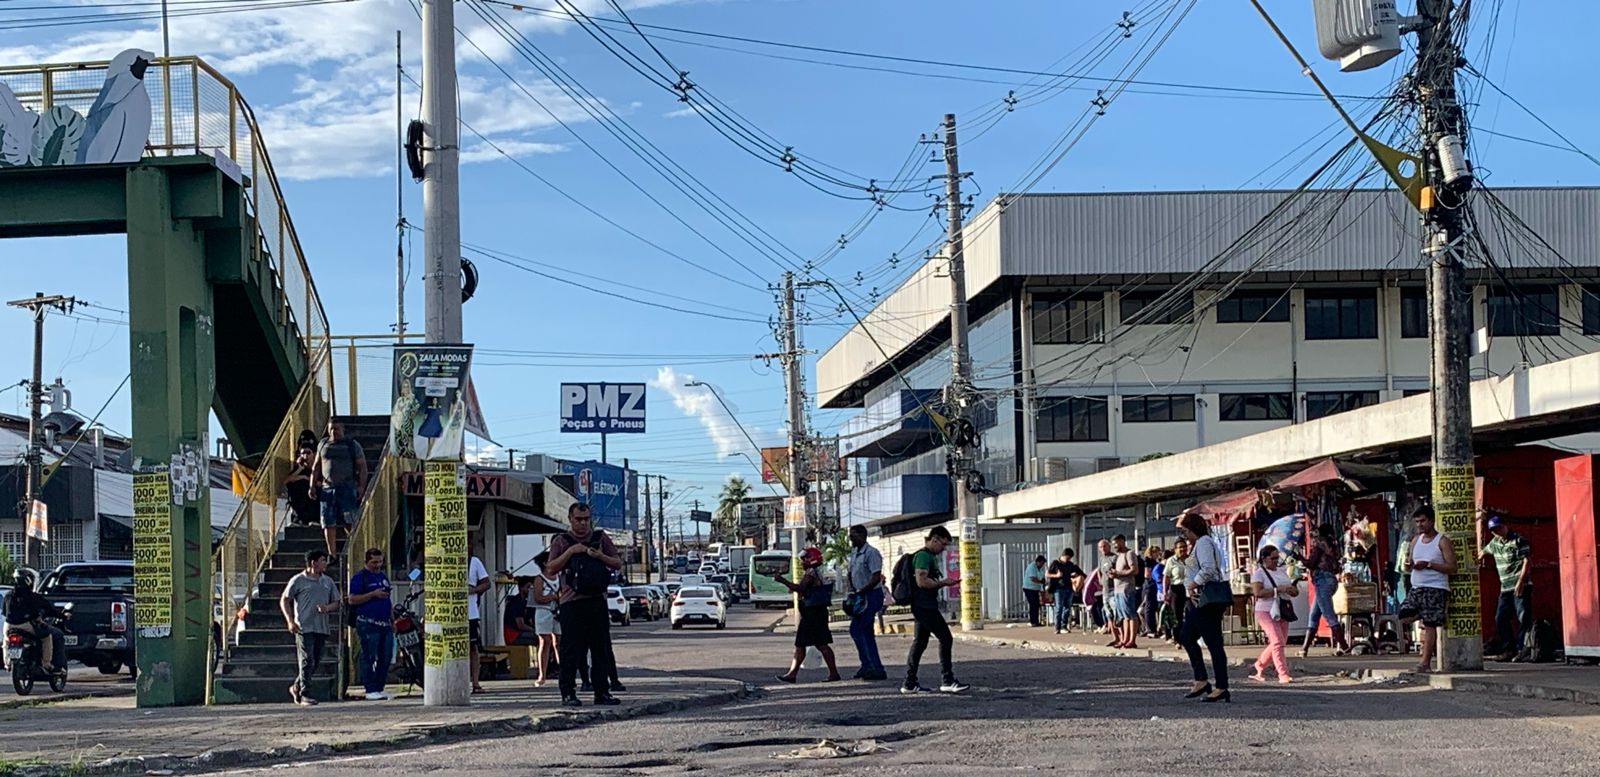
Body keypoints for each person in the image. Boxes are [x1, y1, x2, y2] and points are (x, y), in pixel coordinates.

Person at [544, 503, 624, 707]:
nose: (582, 523)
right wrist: (571, 551)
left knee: (600, 649)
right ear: (570, 519)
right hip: (571, 602)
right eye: (578, 519)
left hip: (597, 600)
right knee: (570, 650)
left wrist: (599, 556)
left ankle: (602, 692)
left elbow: (617, 563)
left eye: (586, 519)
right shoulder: (562, 541)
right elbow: (550, 568)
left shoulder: (600, 538)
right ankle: (568, 693)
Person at [902, 526, 969, 694]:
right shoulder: (923, 556)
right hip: (925, 606)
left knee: (920, 642)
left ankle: (909, 683)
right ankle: (947, 680)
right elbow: (922, 581)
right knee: (946, 638)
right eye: (943, 544)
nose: (943, 549)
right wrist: (943, 583)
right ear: (935, 539)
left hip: (923, 605)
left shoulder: (928, 556)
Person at [1177, 513, 1230, 703]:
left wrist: (1193, 584)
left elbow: (1208, 569)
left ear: (1194, 529)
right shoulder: (1199, 544)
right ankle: (1202, 680)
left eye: (1186, 531)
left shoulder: (1204, 543)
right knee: (1188, 636)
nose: (1185, 535)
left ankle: (1220, 686)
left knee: (1211, 642)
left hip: (1207, 599)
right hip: (1199, 599)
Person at [1399, 506, 1456, 674]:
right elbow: (1409, 563)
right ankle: (1423, 615)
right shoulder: (1415, 540)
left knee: (1430, 625)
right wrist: (1409, 565)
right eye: (1417, 522)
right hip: (1417, 587)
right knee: (1404, 615)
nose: (1420, 525)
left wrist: (1430, 565)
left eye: (1423, 521)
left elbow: (1452, 567)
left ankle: (1425, 663)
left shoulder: (1442, 541)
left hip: (1435, 588)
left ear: (1431, 521)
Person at [773, 547, 842, 683]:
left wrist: (782, 580)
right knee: (811, 644)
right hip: (814, 613)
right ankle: (794, 674)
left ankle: (795, 674)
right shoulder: (817, 571)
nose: (802, 561)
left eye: (805, 559)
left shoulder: (811, 572)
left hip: (813, 614)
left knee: (815, 644)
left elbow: (801, 588)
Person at [280, 549, 340, 706]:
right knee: (307, 659)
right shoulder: (298, 580)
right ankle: (305, 693)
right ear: (313, 563)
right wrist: (290, 621)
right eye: (323, 560)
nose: (325, 563)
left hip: (321, 626)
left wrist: (327, 608)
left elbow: (336, 602)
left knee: (316, 660)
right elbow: (285, 599)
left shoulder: (327, 581)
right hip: (304, 626)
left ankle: (296, 686)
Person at [1480, 513, 1532, 661]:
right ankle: (1509, 649)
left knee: (1523, 617)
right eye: (1493, 530)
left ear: (1504, 526)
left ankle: (1523, 649)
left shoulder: (1518, 540)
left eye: (1498, 528)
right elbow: (1483, 552)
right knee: (1500, 618)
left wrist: (1521, 581)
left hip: (1520, 584)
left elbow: (1527, 561)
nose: (1496, 532)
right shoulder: (1494, 543)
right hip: (1505, 588)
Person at [311, 420, 367, 558]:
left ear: (342, 429)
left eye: (336, 429)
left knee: (349, 520)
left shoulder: (352, 445)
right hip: (327, 489)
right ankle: (332, 554)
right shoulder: (323, 444)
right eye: (331, 429)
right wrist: (311, 485)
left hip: (346, 488)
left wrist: (361, 486)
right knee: (328, 522)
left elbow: (362, 467)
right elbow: (316, 466)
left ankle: (354, 550)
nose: (333, 432)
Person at [347, 547, 394, 701]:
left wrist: (392, 619)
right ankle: (370, 688)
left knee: (386, 657)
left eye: (380, 562)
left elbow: (388, 599)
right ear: (366, 561)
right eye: (374, 562)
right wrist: (372, 594)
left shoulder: (382, 576)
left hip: (385, 623)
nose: (377, 565)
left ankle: (379, 687)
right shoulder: (360, 578)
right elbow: (352, 599)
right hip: (368, 622)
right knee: (369, 655)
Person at [1249, 544, 1298, 684]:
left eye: (1278, 558)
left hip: (1282, 609)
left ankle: (1260, 664)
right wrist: (1277, 590)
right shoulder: (1259, 573)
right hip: (1265, 610)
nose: (1276, 561)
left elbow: (1293, 590)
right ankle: (1283, 673)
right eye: (1273, 558)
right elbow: (1258, 593)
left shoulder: (1282, 572)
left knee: (1280, 641)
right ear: (1264, 559)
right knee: (1277, 641)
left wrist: (1292, 591)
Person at [2, 571, 65, 678]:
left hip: (9, 625)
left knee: (6, 640)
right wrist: (61, 615)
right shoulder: (32, 596)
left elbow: (4, 612)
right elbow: (48, 608)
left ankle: (7, 663)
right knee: (46, 637)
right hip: (26, 625)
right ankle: (46, 664)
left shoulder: (8, 595)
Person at [843, 525, 887, 680]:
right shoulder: (855, 553)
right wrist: (851, 591)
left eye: (853, 535)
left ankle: (874, 666)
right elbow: (850, 573)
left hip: (871, 595)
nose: (851, 538)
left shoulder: (871, 553)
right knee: (862, 631)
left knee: (859, 629)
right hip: (859, 595)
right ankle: (868, 665)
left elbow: (876, 577)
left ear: (862, 535)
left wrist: (862, 590)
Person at [530, 551, 564, 687]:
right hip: (543, 611)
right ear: (545, 563)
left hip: (558, 612)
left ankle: (563, 671)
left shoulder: (560, 577)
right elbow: (538, 598)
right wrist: (553, 597)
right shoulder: (539, 579)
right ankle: (542, 674)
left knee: (559, 642)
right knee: (545, 641)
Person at [1109, 534, 1142, 649]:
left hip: (1126, 589)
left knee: (1130, 614)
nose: (1115, 546)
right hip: (1117, 589)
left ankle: (1132, 640)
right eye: (1113, 544)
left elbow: (1134, 570)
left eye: (1116, 543)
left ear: (1122, 541)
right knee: (1123, 616)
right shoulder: (1119, 556)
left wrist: (1118, 573)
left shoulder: (1129, 554)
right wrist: (1113, 574)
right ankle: (1124, 639)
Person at [466, 549, 491, 694]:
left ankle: (475, 682)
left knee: (472, 647)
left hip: (471, 613)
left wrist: (473, 590)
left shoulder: (473, 562)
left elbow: (486, 583)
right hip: (449, 614)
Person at [1046, 548, 1084, 634]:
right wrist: (1057, 575)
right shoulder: (1055, 563)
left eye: (1070, 558)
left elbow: (1078, 573)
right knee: (1059, 607)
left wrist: (1075, 576)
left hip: (1069, 588)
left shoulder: (1070, 564)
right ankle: (1057, 627)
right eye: (1067, 558)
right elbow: (1047, 574)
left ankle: (1064, 626)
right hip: (1058, 588)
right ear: (1063, 555)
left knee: (1067, 607)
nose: (1068, 560)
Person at [1163, 539, 1191, 643]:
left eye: (1184, 547)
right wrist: (1165, 592)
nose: (1183, 549)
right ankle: (1177, 638)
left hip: (1189, 588)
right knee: (1176, 615)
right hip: (1176, 589)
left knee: (1190, 612)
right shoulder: (1171, 560)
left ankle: (1188, 636)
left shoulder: (1190, 559)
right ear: (1175, 549)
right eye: (1180, 547)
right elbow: (1166, 577)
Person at [283, 445, 318, 526]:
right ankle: (298, 519)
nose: (305, 456)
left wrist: (308, 480)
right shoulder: (299, 468)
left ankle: (314, 519)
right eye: (303, 453)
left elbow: (319, 482)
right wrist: (301, 472)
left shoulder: (317, 467)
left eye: (308, 453)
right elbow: (286, 481)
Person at [503, 577, 539, 647]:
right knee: (542, 638)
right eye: (528, 587)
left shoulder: (526, 602)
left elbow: (530, 621)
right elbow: (521, 625)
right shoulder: (516, 602)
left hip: (519, 633)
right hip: (513, 635)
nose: (531, 590)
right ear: (521, 588)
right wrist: (535, 630)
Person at [1142, 545, 1163, 638]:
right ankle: (1150, 629)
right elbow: (1147, 574)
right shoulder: (1148, 561)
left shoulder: (1155, 562)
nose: (1158, 555)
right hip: (1149, 585)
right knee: (1149, 607)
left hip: (1153, 585)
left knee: (1153, 607)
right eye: (1157, 553)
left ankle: (1153, 627)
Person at [1021, 555, 1047, 627]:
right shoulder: (1032, 567)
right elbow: (1033, 578)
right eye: (1041, 563)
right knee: (1033, 604)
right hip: (1029, 588)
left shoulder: (1040, 569)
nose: (1042, 565)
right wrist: (1040, 582)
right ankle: (1033, 621)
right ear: (1038, 561)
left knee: (1037, 604)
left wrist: (1043, 581)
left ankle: (1036, 621)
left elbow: (1042, 577)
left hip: (1036, 588)